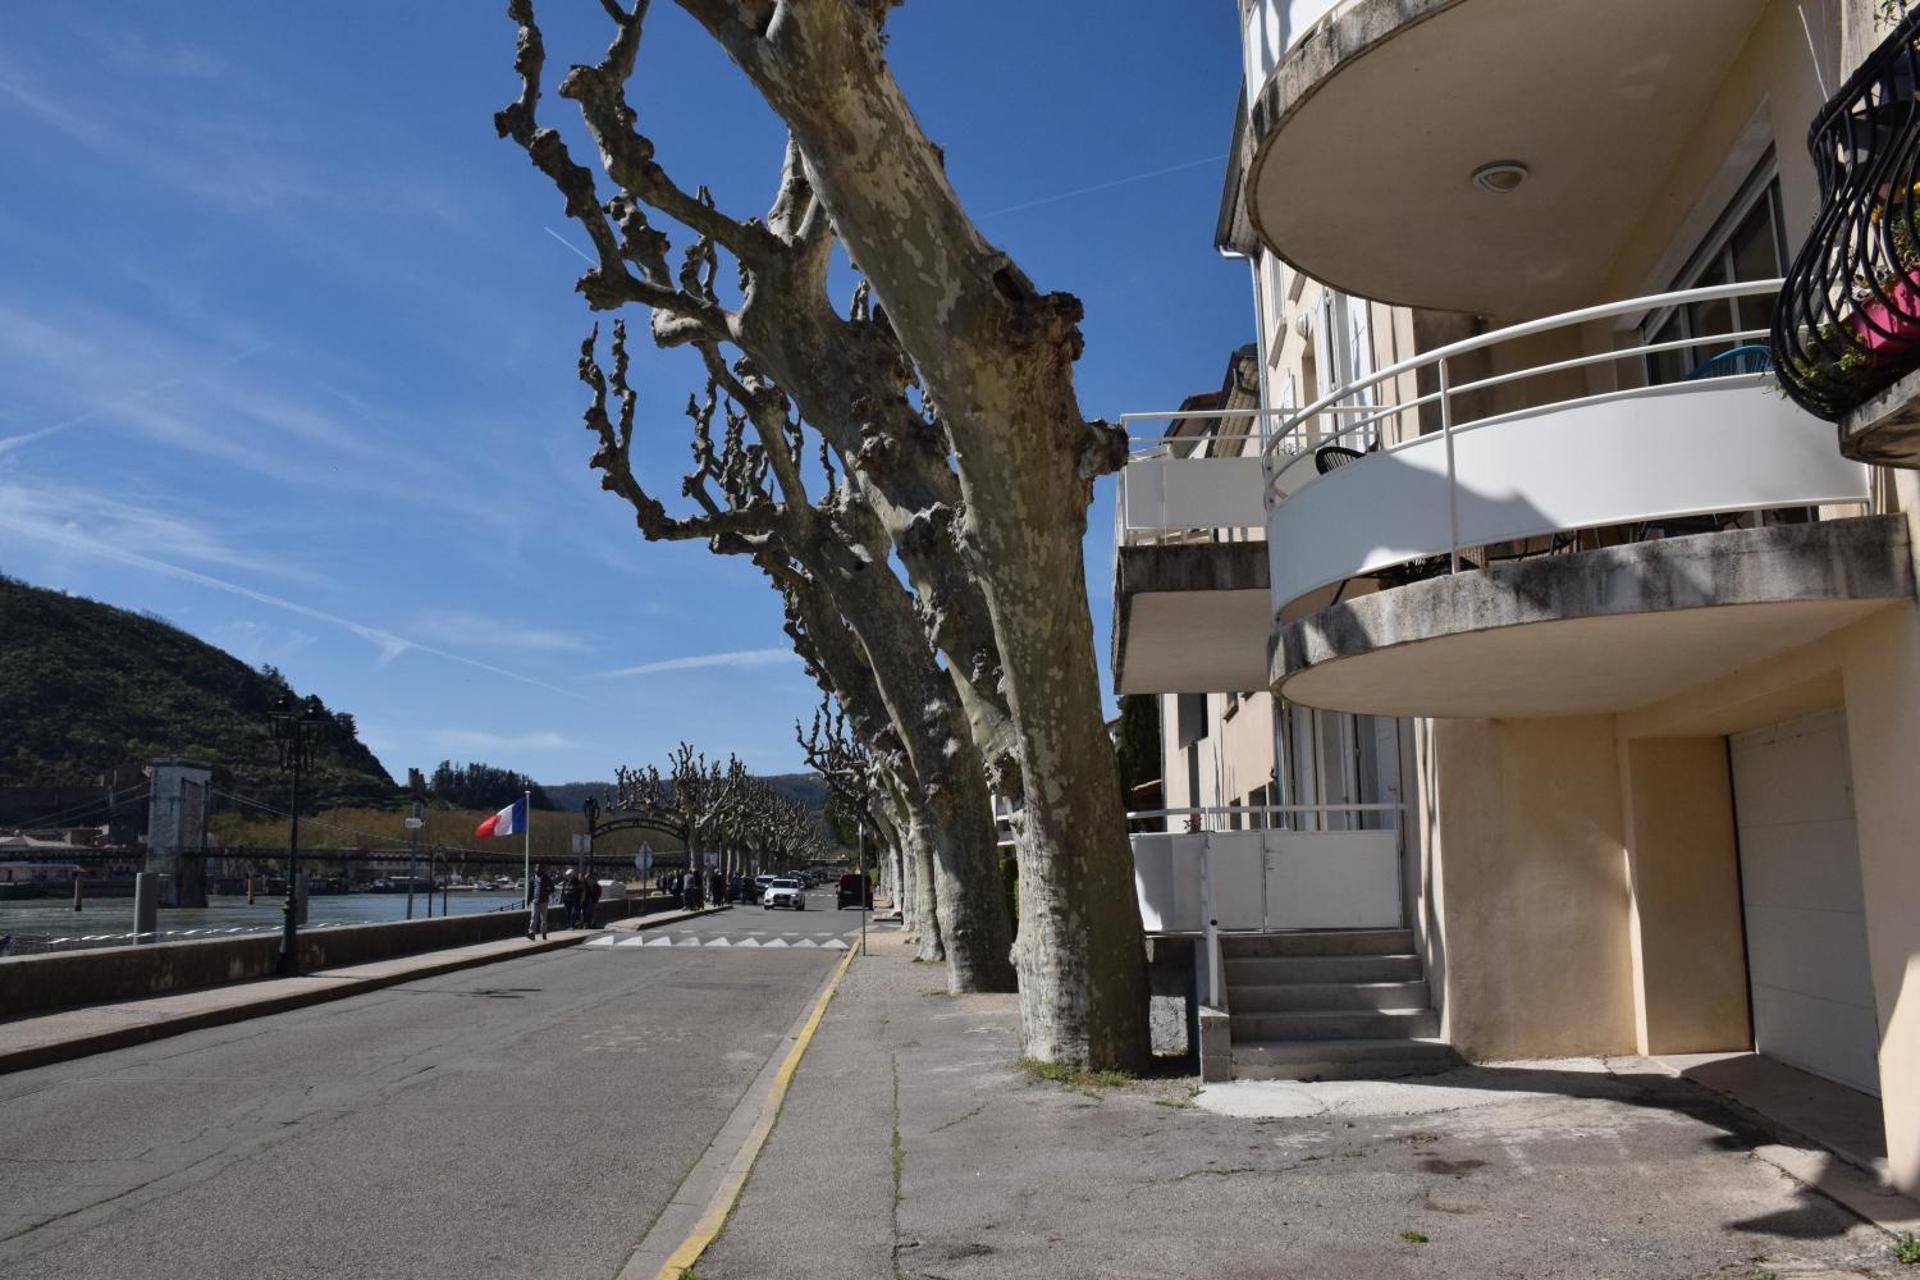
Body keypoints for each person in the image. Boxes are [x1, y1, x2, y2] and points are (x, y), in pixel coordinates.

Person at [527, 863, 551, 940]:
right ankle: (531, 933)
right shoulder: (532, 878)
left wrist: (546, 892)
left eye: (539, 868)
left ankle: (543, 933)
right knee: (533, 917)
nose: (537, 869)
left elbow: (552, 888)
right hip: (534, 901)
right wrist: (528, 900)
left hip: (544, 901)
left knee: (543, 919)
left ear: (542, 869)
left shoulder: (546, 878)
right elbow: (530, 890)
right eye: (536, 868)